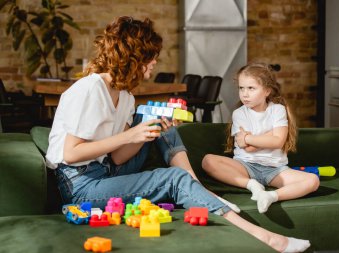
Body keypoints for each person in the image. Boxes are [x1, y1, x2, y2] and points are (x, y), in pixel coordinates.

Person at [45, 16, 310, 253]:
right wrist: (131, 135)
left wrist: (147, 132)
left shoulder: (126, 96)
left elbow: (117, 158)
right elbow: (71, 153)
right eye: (152, 57)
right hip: (79, 184)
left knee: (153, 119)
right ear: (135, 57)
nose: (155, 63)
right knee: (173, 178)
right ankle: (268, 239)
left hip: (107, 170)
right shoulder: (90, 89)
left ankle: (198, 187)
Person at [202, 62, 320, 214]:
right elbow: (247, 147)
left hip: (275, 169)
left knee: (312, 181)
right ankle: (252, 185)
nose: (244, 94)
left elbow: (277, 142)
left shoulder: (277, 110)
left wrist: (249, 137)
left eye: (251, 88)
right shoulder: (239, 113)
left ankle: (271, 196)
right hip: (245, 166)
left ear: (267, 91)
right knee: (208, 161)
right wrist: (268, 137)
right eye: (241, 88)